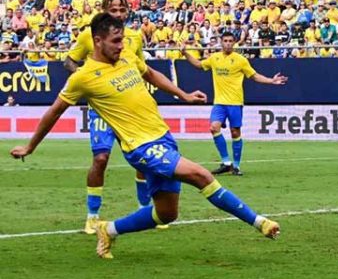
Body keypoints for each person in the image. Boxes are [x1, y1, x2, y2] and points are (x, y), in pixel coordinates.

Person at [10, 14, 280, 259]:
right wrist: (30, 146)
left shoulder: (127, 56)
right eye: (115, 41)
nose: (120, 46)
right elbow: (54, 112)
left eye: (122, 40)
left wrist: (183, 95)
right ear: (98, 41)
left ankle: (109, 229)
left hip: (162, 137)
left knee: (167, 214)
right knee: (200, 175)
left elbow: (151, 73)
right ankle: (259, 222)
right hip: (140, 147)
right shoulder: (83, 77)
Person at [63, 0, 153, 234]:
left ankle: (144, 208)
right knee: (100, 159)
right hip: (103, 110)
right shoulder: (87, 35)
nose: (118, 13)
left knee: (143, 161)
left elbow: (143, 69)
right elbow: (69, 61)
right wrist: (86, 77)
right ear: (104, 11)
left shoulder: (133, 38)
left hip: (132, 112)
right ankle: (92, 215)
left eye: (122, 9)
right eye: (113, 9)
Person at [181, 32, 287, 176]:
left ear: (235, 43)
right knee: (214, 128)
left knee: (235, 132)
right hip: (219, 103)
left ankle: (236, 166)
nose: (228, 43)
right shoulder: (215, 58)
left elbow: (254, 76)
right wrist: (185, 53)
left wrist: (271, 80)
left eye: (231, 41)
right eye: (225, 41)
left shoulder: (240, 60)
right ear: (221, 42)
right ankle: (226, 162)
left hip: (235, 102)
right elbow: (199, 64)